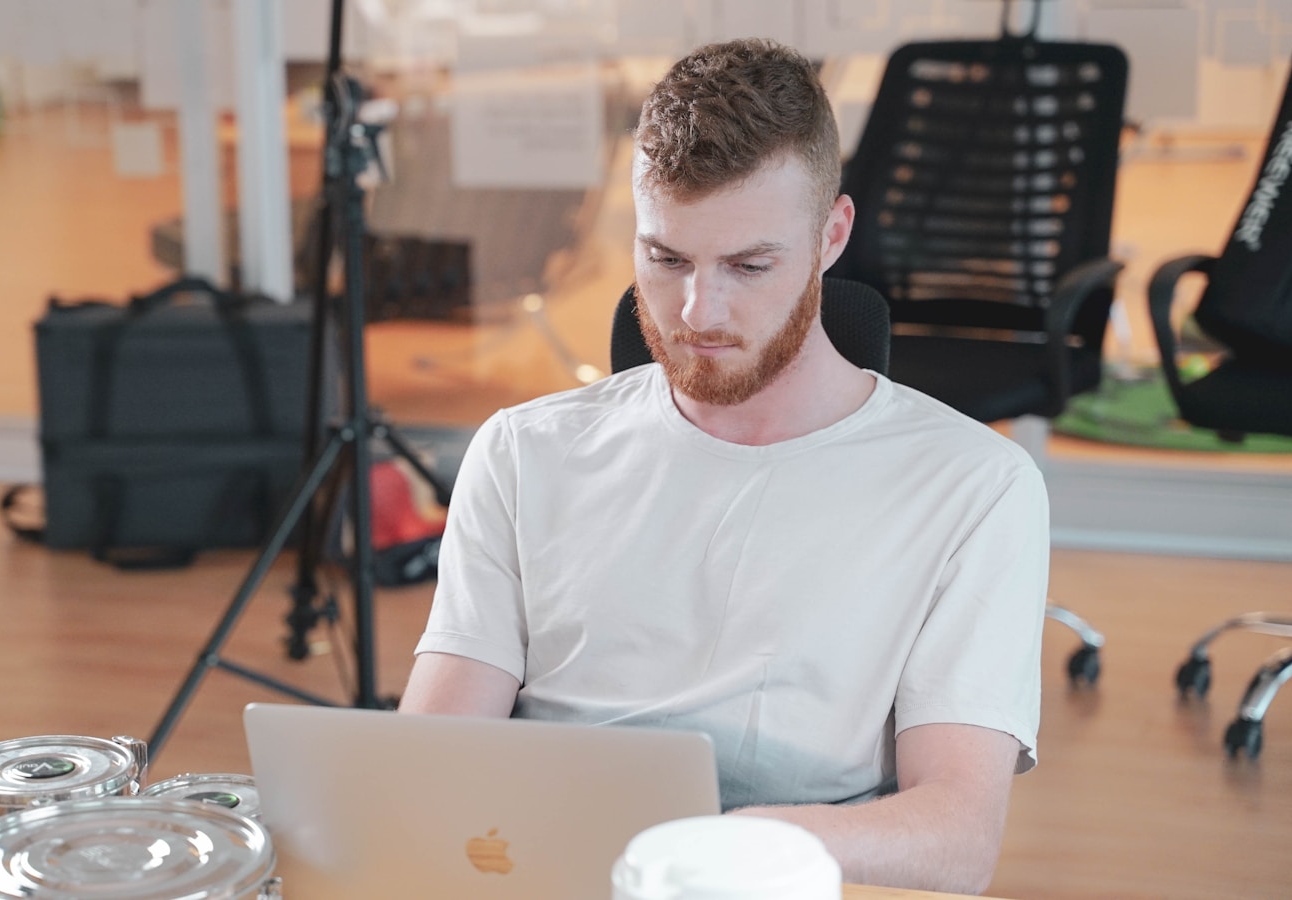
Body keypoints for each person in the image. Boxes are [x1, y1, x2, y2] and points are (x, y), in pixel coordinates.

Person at [397, 37, 1047, 895]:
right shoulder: (524, 452)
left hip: (772, 874)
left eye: (749, 265)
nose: (698, 313)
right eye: (666, 259)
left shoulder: (974, 489)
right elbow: (428, 761)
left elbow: (958, 836)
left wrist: (724, 846)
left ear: (831, 235)